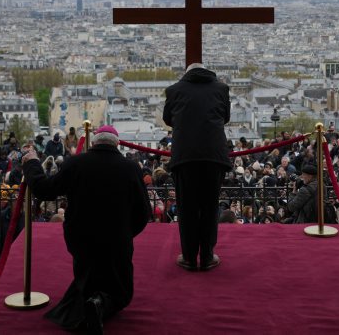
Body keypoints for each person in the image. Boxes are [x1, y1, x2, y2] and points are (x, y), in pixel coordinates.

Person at [21, 124, 151, 333]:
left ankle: (92, 300)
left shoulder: (76, 163)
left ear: (93, 143)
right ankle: (99, 304)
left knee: (87, 277)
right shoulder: (131, 168)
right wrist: (126, 233)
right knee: (122, 292)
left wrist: (32, 163)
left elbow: (45, 190)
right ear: (117, 144)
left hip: (82, 238)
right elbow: (143, 212)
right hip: (116, 239)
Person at [162, 62, 231, 272]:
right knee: (210, 206)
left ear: (187, 73)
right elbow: (225, 117)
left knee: (187, 207)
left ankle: (190, 257)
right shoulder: (221, 89)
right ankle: (208, 256)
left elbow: (167, 119)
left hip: (186, 156)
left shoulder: (174, 90)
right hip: (213, 155)